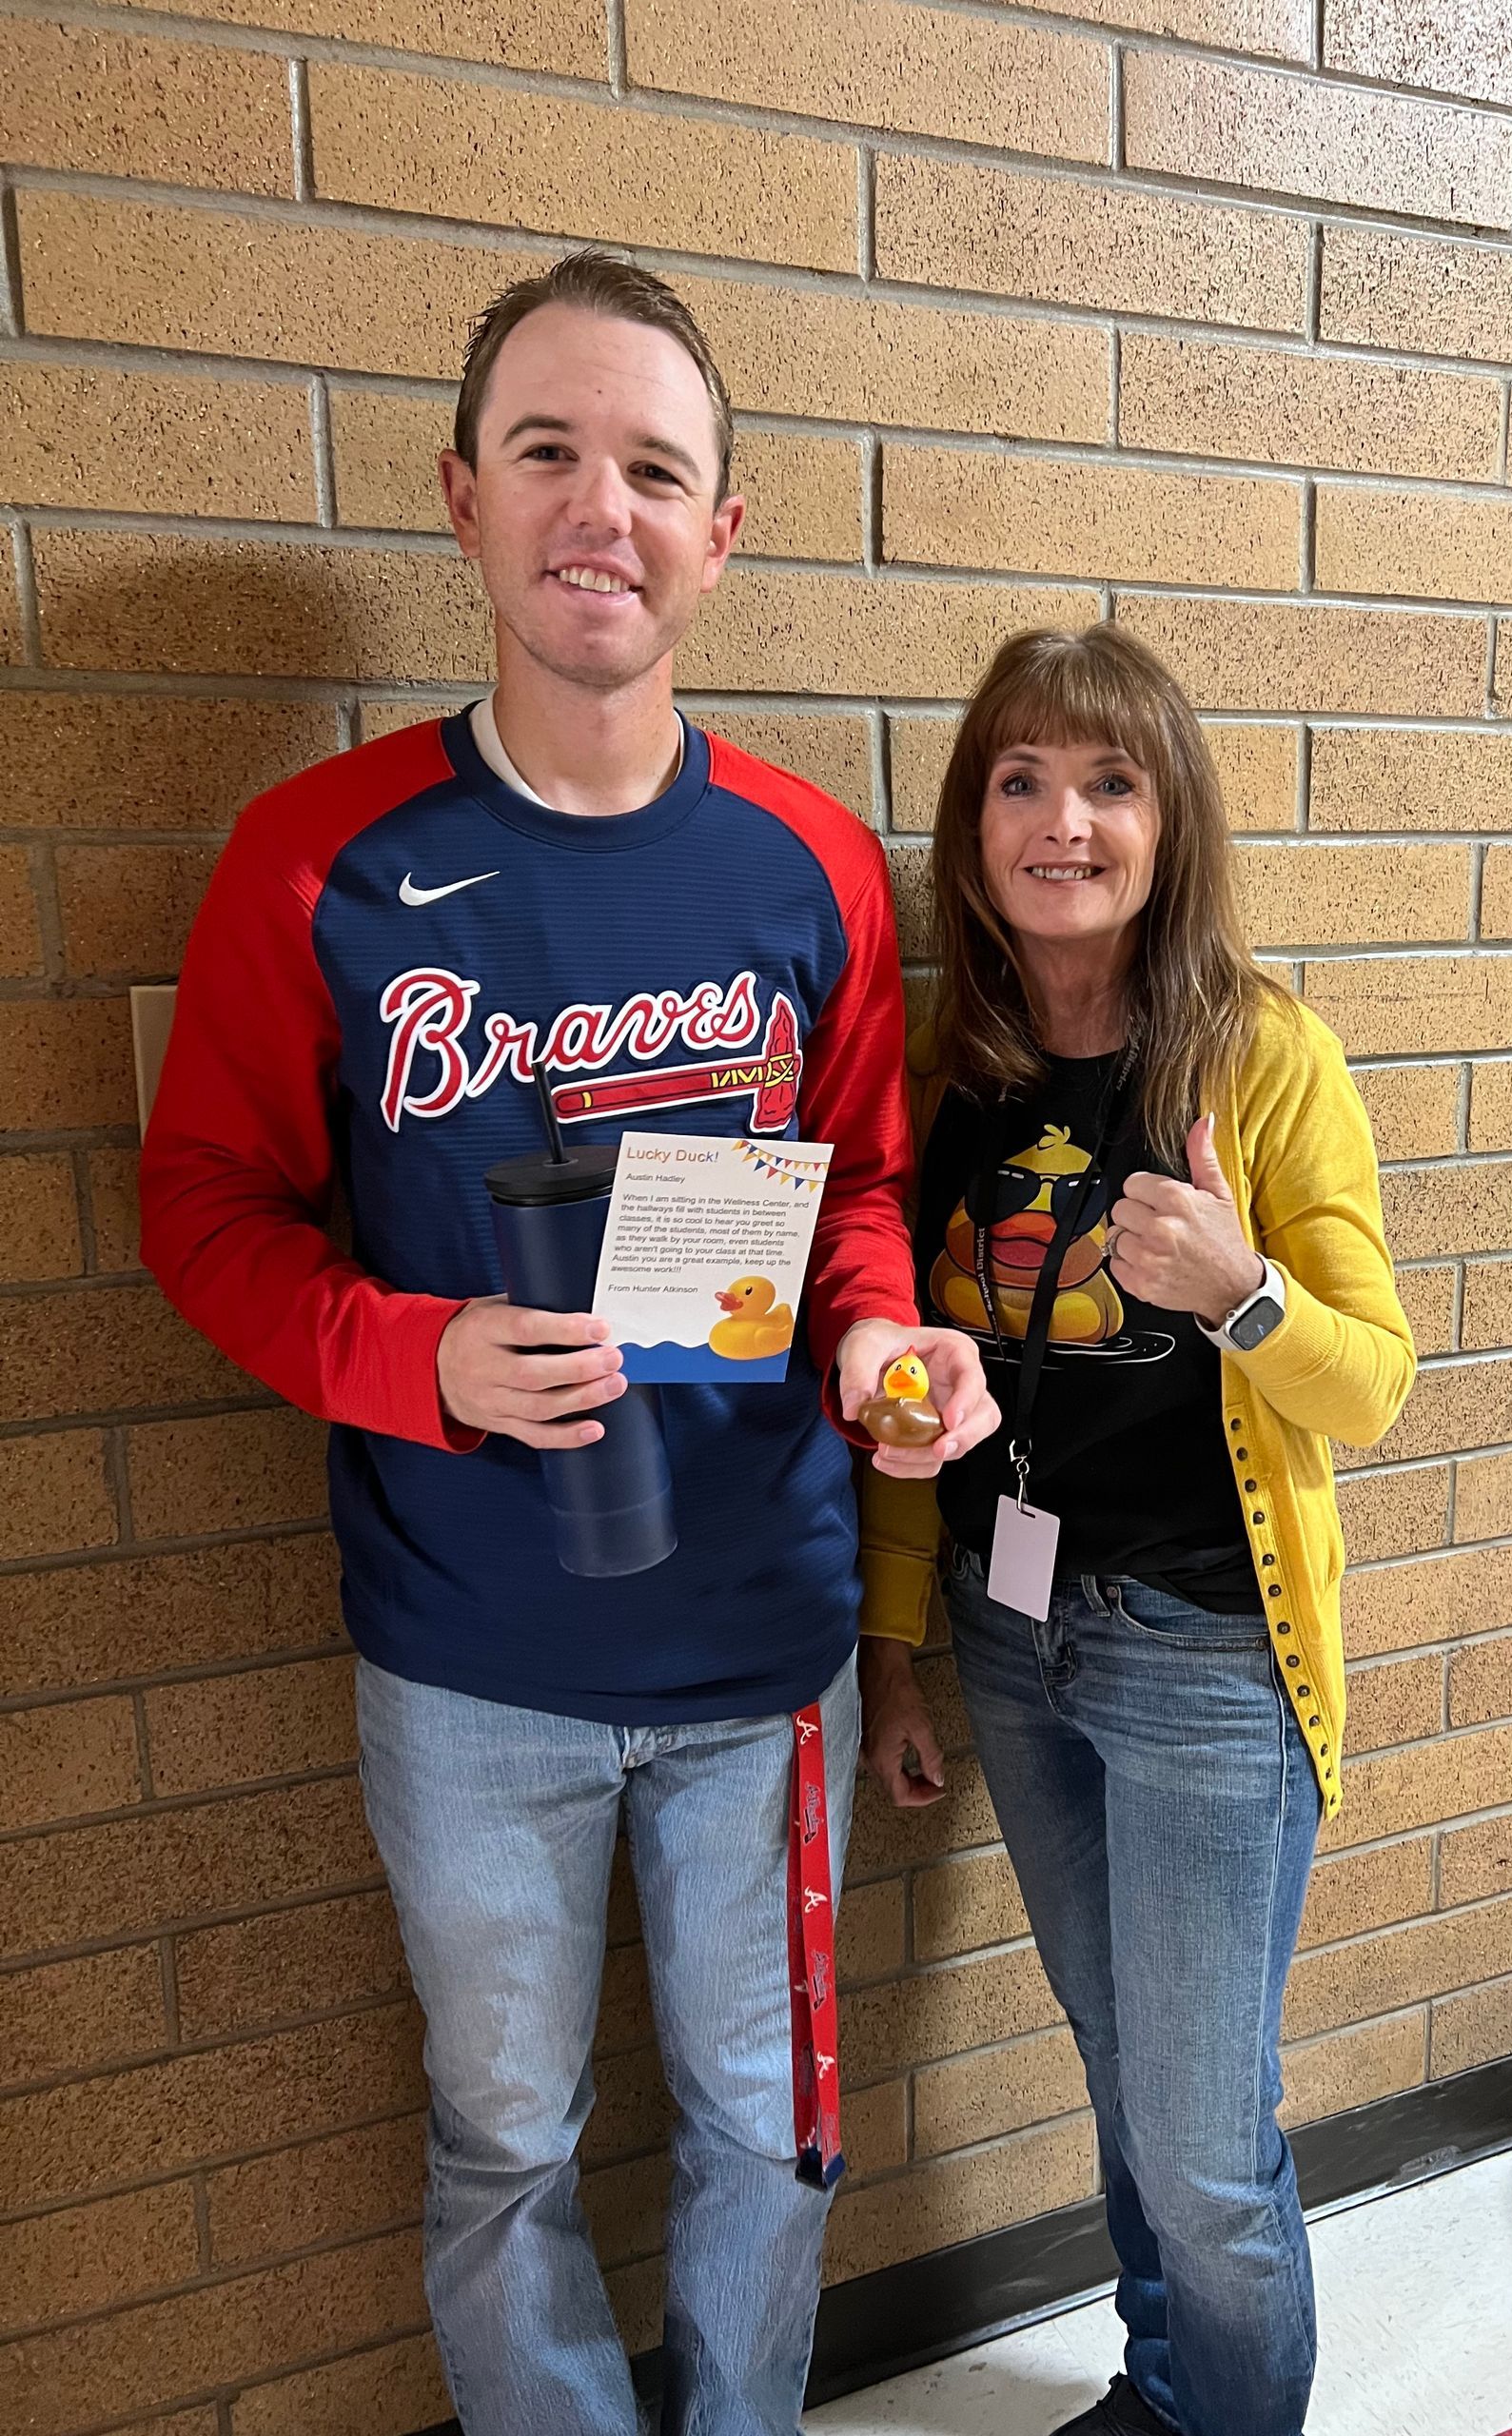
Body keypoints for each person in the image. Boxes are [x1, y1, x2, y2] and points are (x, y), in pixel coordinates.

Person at [140, 249, 995, 2436]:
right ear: (461, 495)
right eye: (547, 452)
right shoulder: (314, 862)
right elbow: (203, 1209)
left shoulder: (807, 864)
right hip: (466, 1664)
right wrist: (407, 1357)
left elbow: (864, 1184)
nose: (595, 507)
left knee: (768, 2130)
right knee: (507, 2144)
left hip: (764, 1656)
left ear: (727, 526)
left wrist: (887, 1345)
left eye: (651, 466)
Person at [854, 624, 1414, 2436]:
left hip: (1203, 1665)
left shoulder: (1262, 1055)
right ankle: (1171, 2391)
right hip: (1009, 1639)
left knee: (1202, 2135)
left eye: (1109, 782)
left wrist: (1244, 1293)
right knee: (1121, 2076)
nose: (1063, 821)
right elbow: (900, 1402)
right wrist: (895, 1649)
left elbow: (1373, 1381)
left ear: (1170, 827)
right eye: (1020, 779)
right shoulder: (957, 1070)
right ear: (972, 821)